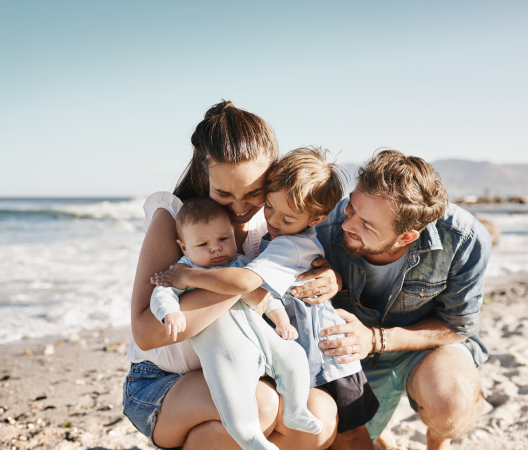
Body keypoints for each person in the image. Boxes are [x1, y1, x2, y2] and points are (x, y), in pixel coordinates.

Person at [123, 100, 340, 449]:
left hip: (247, 364)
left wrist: (329, 276)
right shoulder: (176, 219)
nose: (240, 208)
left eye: (253, 192)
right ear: (203, 173)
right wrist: (240, 282)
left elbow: (306, 257)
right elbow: (147, 334)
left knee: (319, 413)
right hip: (162, 381)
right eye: (223, 193)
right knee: (260, 405)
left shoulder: (272, 216)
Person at [152, 148, 380, 450]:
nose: (272, 219)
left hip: (326, 351)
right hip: (303, 345)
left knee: (350, 431)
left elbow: (246, 281)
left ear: (317, 218)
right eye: (269, 208)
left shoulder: (290, 244)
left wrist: (187, 277)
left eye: (286, 217)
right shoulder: (277, 236)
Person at [291, 150, 492, 450]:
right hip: (351, 358)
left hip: (425, 349)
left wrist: (375, 339)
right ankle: (378, 429)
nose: (348, 225)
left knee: (451, 407)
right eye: (351, 209)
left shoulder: (464, 238)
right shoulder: (323, 226)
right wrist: (322, 273)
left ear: (406, 237)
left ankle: (437, 441)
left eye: (367, 226)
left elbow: (457, 326)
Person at [150, 196, 322, 450]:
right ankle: (250, 437)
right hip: (224, 348)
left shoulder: (240, 265)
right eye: (202, 244)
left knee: (293, 355)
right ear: (184, 248)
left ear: (232, 234)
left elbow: (267, 296)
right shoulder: (182, 271)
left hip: (263, 337)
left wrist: (281, 321)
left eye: (223, 239)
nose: (215, 249)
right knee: (232, 392)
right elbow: (162, 293)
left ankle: (296, 410)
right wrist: (170, 313)